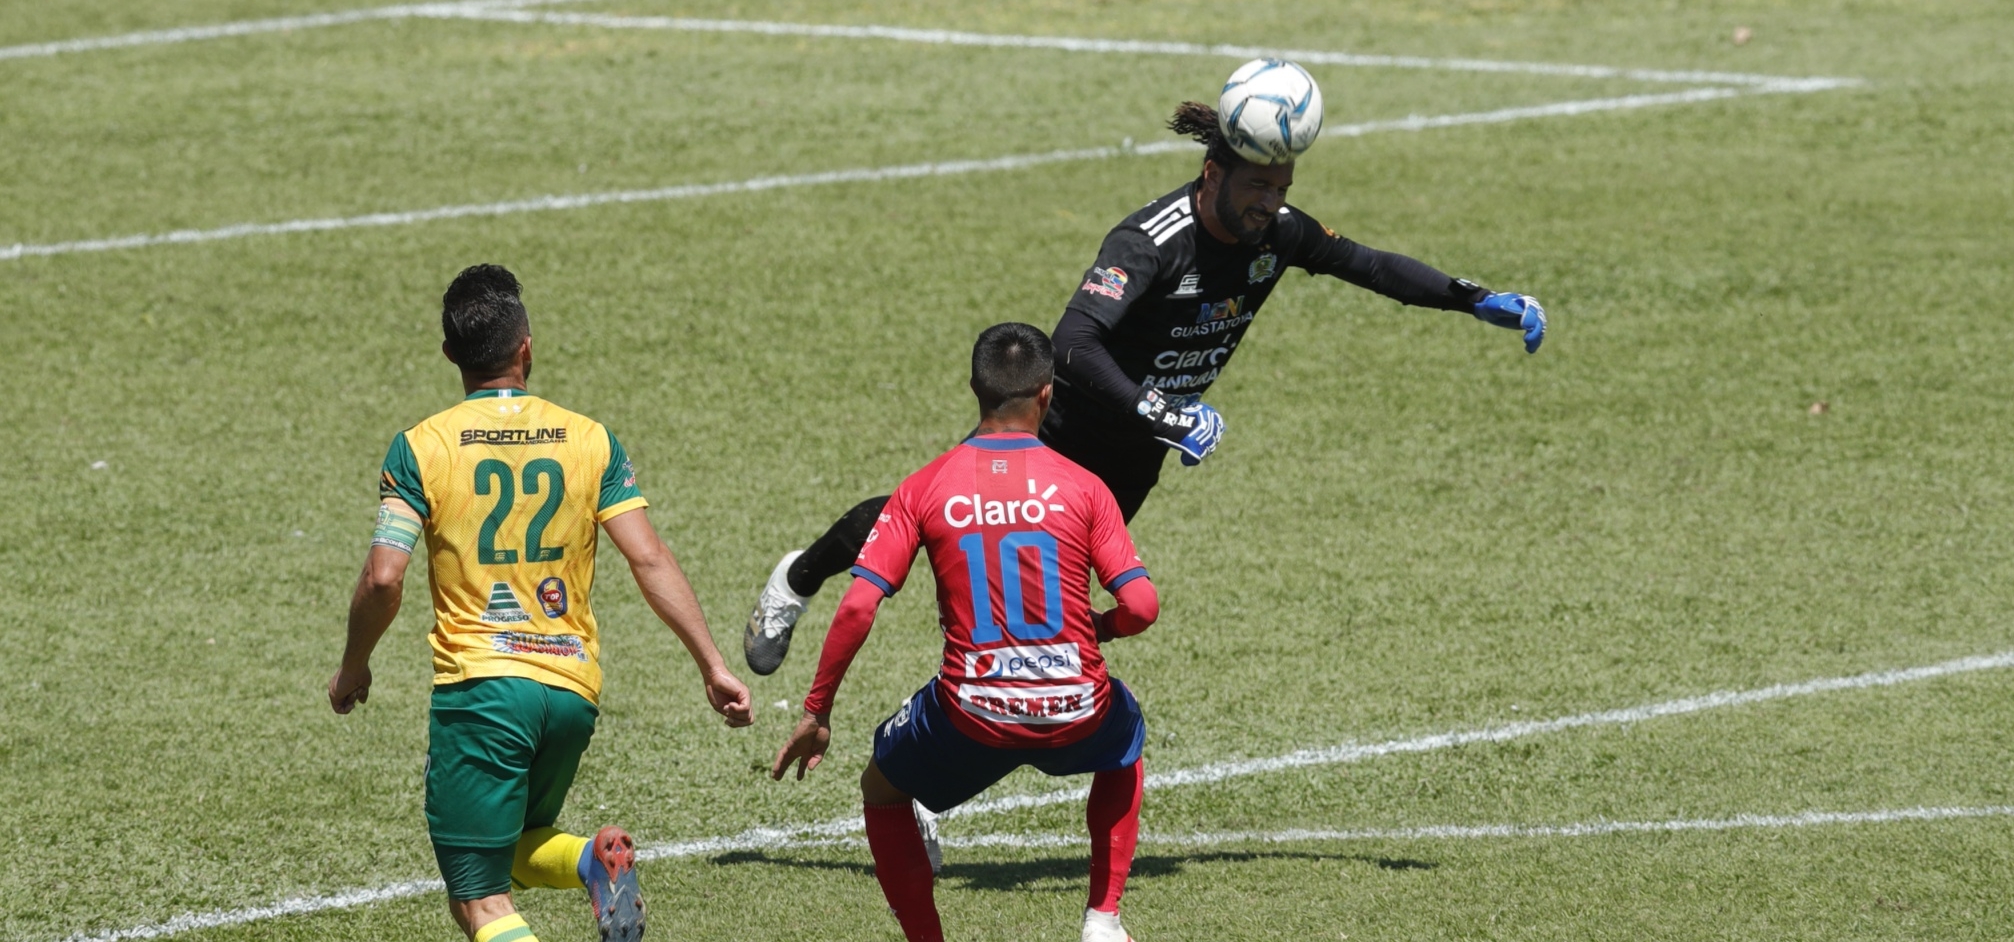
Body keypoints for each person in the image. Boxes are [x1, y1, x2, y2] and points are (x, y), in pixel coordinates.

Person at [744, 97, 1546, 676]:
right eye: (1257, 189)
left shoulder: (1281, 234)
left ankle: (943, 758)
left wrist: (1471, 298)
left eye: (1282, 188)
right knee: (914, 525)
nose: (1271, 205)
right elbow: (1073, 344)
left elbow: (1370, 266)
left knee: (1037, 613)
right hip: (1053, 432)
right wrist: (1161, 407)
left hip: (1130, 464)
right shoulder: (1151, 242)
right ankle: (800, 576)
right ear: (1213, 173)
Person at [329, 264, 754, 942]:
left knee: (478, 900)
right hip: (570, 691)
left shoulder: (421, 448)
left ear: (449, 356)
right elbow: (648, 557)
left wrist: (352, 667)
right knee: (521, 846)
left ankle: (587, 866)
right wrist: (711, 663)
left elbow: (384, 577)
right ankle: (592, 859)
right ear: (526, 347)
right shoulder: (589, 438)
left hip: (483, 691)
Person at [771, 323, 1161, 942]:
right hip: (1077, 707)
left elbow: (855, 610)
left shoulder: (925, 486)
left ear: (975, 390)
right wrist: (1100, 630)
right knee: (1125, 740)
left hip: (971, 712)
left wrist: (817, 710)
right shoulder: (1085, 488)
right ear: (1047, 395)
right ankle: (1103, 918)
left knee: (882, 788)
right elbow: (1141, 605)